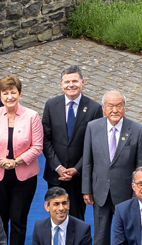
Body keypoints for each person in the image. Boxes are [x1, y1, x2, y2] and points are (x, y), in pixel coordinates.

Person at [0, 75, 43, 245]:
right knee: (0, 220)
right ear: (0, 95)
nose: (9, 97)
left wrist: (17, 161)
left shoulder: (32, 116)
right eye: (5, 93)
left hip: (23, 176)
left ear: (20, 93)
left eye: (13, 92)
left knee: (18, 219)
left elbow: (37, 146)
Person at [82, 91, 142, 245]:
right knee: (101, 234)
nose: (115, 110)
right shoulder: (92, 127)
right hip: (99, 191)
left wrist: (139, 193)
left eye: (119, 105)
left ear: (124, 107)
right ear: (103, 108)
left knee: (126, 233)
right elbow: (87, 161)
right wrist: (86, 189)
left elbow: (140, 167)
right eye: (110, 105)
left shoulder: (138, 130)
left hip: (126, 193)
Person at [42, 65, 104, 220]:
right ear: (61, 84)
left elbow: (95, 145)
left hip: (79, 177)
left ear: (83, 82)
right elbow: (45, 139)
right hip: (56, 175)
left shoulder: (94, 108)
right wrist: (58, 167)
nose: (71, 85)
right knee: (56, 217)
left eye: (75, 81)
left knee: (77, 218)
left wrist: (76, 169)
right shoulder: (51, 105)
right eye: (67, 81)